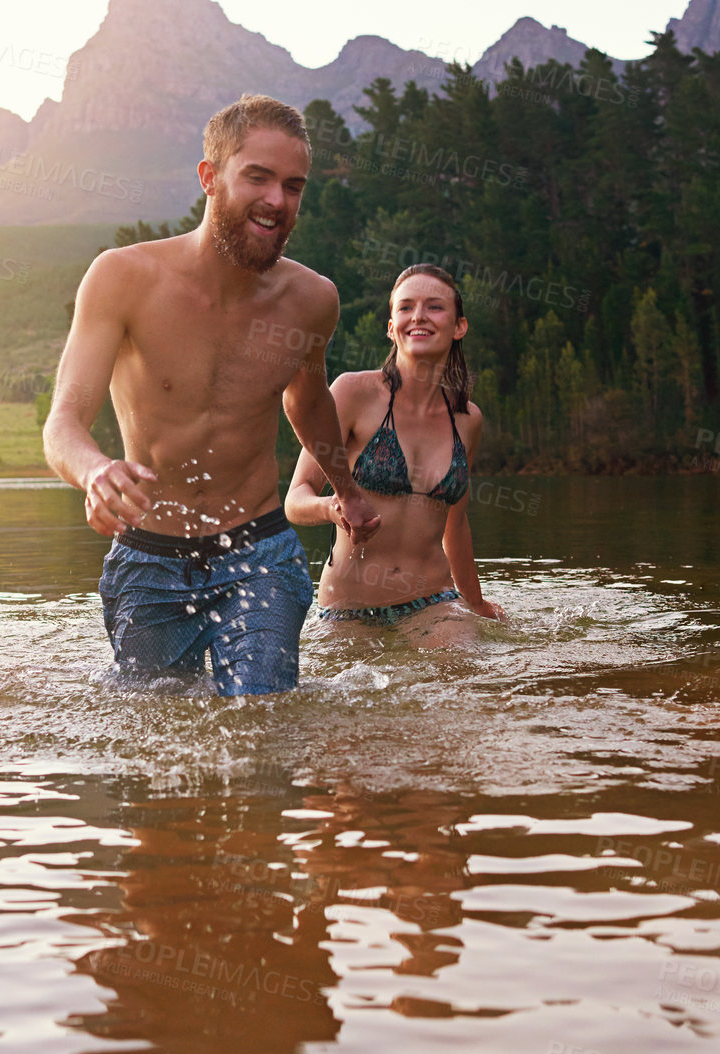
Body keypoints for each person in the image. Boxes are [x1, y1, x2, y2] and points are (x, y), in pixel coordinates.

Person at [43, 95, 379, 696]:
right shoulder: (123, 277)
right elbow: (63, 422)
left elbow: (305, 400)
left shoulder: (311, 300)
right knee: (155, 743)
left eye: (294, 186)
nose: (277, 201)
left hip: (259, 551)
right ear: (209, 177)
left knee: (261, 724)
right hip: (148, 555)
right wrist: (95, 472)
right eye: (258, 177)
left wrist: (347, 491)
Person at [285, 264, 501, 642]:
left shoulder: (468, 419)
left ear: (459, 327)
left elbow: (456, 524)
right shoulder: (352, 393)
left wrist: (476, 603)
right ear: (391, 327)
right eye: (405, 308)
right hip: (346, 609)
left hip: (433, 601)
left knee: (464, 683)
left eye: (434, 307)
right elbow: (296, 497)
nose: (418, 316)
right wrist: (331, 508)